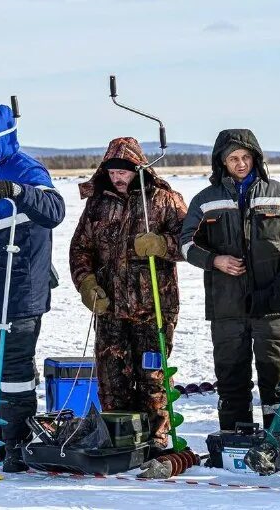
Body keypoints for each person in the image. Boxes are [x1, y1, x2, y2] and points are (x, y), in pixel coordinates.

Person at [180, 129, 280, 472]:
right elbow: (185, 244)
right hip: (226, 307)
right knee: (231, 379)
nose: (240, 164)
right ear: (222, 161)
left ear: (256, 159)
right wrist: (214, 261)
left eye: (246, 158)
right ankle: (235, 446)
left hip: (274, 306)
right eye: (233, 158)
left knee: (278, 382)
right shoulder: (206, 199)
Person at [0, 104, 65, 472]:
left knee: (13, 366)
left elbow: (54, 210)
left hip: (16, 287)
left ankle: (20, 442)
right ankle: (0, 436)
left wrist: (18, 191)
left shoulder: (26, 169)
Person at [69, 137, 187, 448]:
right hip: (109, 308)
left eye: (125, 172)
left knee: (153, 377)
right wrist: (86, 284)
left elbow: (192, 243)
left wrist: (163, 245)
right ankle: (119, 437)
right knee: (112, 378)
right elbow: (80, 249)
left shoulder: (164, 200)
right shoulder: (97, 203)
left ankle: (155, 437)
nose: (119, 178)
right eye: (113, 172)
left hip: (155, 307)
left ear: (139, 169)